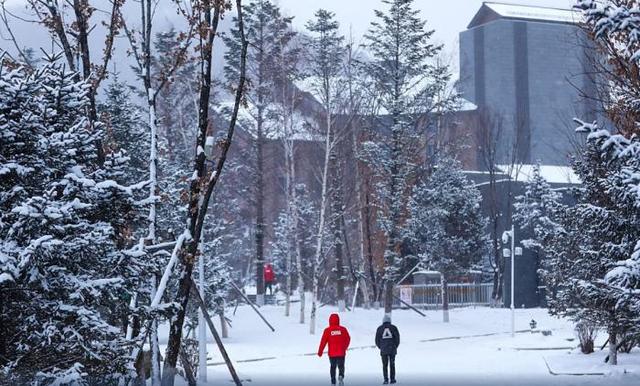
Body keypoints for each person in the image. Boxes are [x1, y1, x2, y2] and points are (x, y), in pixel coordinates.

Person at [317, 313, 351, 386]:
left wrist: (320, 352)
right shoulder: (343, 329)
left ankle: (333, 381)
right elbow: (348, 339)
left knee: (333, 367)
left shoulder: (327, 330)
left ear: (330, 321)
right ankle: (341, 376)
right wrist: (344, 348)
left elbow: (323, 341)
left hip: (332, 354)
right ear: (338, 320)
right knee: (341, 366)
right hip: (341, 353)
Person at [375, 314, 400, 384]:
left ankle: (385, 379)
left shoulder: (379, 328)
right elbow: (397, 338)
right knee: (392, 364)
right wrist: (395, 346)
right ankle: (392, 379)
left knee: (384, 365)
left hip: (383, 350)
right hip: (392, 349)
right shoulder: (394, 327)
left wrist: (381, 347)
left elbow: (377, 340)